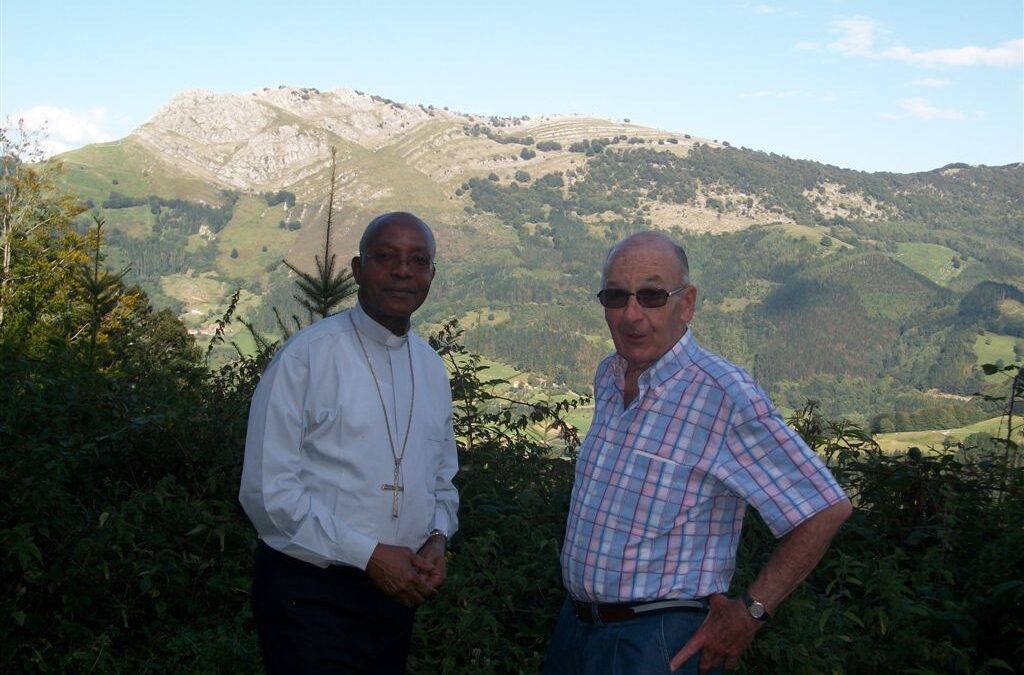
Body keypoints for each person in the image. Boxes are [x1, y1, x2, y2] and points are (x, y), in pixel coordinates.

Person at [544, 231, 851, 675]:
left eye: (651, 296)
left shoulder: (724, 394)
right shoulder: (610, 376)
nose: (631, 314)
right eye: (616, 296)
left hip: (656, 641)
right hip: (575, 628)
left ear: (685, 304)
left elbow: (825, 508)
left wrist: (750, 613)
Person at [239, 212, 459, 675]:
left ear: (431, 276)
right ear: (358, 269)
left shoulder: (431, 368)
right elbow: (267, 492)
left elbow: (441, 477)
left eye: (418, 261)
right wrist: (370, 555)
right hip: (311, 594)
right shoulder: (307, 357)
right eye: (386, 257)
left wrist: (438, 537)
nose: (403, 271)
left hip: (397, 596)